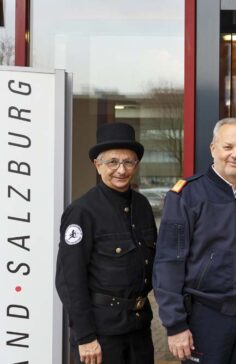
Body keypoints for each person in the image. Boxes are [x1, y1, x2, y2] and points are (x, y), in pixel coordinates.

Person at [153, 117, 236, 364]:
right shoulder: (187, 195)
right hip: (205, 318)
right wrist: (175, 326)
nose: (235, 154)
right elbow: (168, 263)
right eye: (228, 147)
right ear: (213, 148)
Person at [55, 122, 157, 364]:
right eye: (112, 162)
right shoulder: (81, 212)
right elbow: (70, 280)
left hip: (139, 329)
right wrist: (85, 337)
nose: (121, 170)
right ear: (97, 165)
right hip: (101, 335)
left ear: (136, 165)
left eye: (128, 162)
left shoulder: (142, 206)